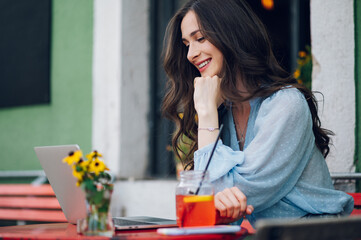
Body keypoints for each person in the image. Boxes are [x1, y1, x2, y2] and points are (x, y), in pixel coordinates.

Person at [161, 0, 354, 227]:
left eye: (200, 39)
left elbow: (234, 195)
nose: (190, 54)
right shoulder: (227, 111)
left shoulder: (286, 105)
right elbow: (211, 200)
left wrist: (206, 114)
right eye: (186, 44)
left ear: (231, 34)